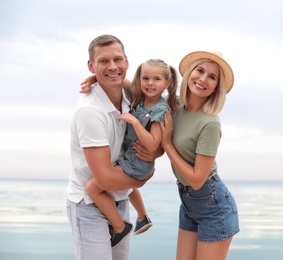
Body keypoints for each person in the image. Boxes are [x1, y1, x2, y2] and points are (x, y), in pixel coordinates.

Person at [67, 34, 161, 260]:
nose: (112, 67)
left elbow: (157, 143)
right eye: (103, 62)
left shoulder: (131, 97)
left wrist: (155, 151)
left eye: (117, 60)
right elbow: (105, 179)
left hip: (119, 199)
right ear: (91, 65)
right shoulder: (90, 111)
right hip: (89, 206)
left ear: (127, 62)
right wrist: (142, 179)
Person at [84, 59, 179, 246]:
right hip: (129, 160)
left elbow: (152, 144)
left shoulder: (160, 111)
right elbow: (119, 80)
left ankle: (120, 227)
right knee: (126, 187)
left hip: (138, 165)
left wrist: (134, 121)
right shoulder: (138, 95)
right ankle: (142, 217)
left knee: (92, 188)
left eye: (156, 79)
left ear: (167, 83)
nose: (150, 83)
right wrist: (94, 77)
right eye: (145, 78)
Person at [160, 50, 240, 260]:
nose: (203, 79)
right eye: (200, 70)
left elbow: (197, 179)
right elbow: (143, 89)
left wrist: (167, 144)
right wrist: (98, 77)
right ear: (190, 73)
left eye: (212, 77)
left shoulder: (210, 123)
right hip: (188, 202)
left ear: (216, 87)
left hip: (213, 206)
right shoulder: (174, 105)